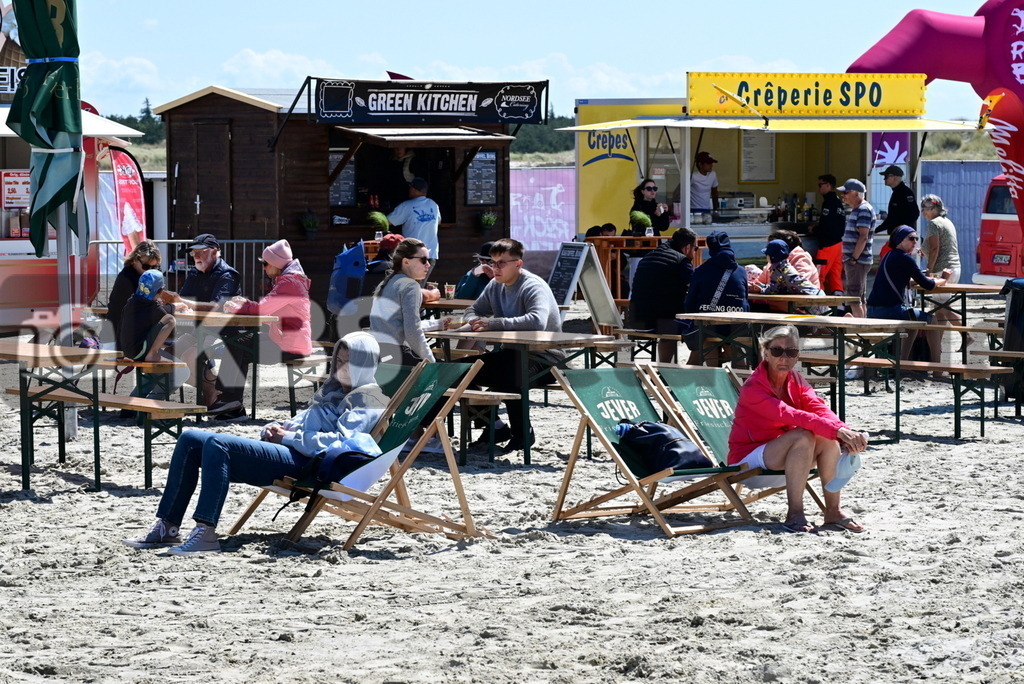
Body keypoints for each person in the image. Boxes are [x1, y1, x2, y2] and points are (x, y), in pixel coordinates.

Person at [122, 332, 389, 555]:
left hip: (312, 466)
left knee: (218, 443)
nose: (341, 368)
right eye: (339, 361)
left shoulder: (367, 399)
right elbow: (302, 422)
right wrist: (277, 428)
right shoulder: (332, 391)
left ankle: (205, 531)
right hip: (293, 452)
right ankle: (168, 526)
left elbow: (341, 444)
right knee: (190, 438)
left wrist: (289, 437)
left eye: (349, 363)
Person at [728, 325, 869, 533]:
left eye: (791, 352)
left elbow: (818, 408)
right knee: (803, 434)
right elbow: (791, 415)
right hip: (747, 464)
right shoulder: (753, 388)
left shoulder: (795, 380)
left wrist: (844, 432)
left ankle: (833, 511)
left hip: (787, 458)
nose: (783, 357)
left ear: (797, 356)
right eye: (777, 351)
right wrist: (838, 432)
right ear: (765, 352)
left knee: (826, 437)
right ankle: (795, 514)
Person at [462, 238, 563, 451]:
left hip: (546, 357)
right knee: (457, 371)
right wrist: (474, 321)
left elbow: (537, 321)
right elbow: (472, 310)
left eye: (501, 263)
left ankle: (522, 433)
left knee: (511, 375)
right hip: (511, 354)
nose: (495, 268)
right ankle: (495, 427)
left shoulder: (532, 285)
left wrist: (493, 323)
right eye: (492, 262)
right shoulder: (494, 285)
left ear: (518, 264)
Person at [213, 240, 314, 419]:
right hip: (288, 340)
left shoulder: (289, 282)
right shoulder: (291, 279)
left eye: (265, 263)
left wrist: (236, 307)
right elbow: (267, 306)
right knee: (239, 342)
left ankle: (228, 400)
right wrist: (244, 304)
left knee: (238, 343)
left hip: (290, 346)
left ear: (276, 263)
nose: (264, 268)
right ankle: (231, 402)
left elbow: (262, 310)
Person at [160, 233, 242, 409]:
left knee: (189, 356)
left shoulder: (228, 274)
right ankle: (210, 390)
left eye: (200, 252)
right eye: (193, 253)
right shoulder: (196, 272)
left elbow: (215, 307)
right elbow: (182, 298)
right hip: (200, 330)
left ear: (214, 252)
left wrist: (183, 302)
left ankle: (211, 391)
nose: (196, 256)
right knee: (168, 354)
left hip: (225, 332)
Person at [867, 226, 952, 362]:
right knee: (933, 320)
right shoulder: (905, 258)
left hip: (872, 310)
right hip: (890, 311)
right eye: (911, 238)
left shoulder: (888, 255)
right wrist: (944, 279)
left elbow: (905, 279)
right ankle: (937, 367)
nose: (915, 242)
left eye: (917, 239)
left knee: (913, 324)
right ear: (900, 240)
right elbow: (928, 285)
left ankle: (905, 363)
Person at [118, 269, 188, 402]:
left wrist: (172, 306)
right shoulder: (152, 307)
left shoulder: (132, 302)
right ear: (160, 291)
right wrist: (175, 306)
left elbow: (159, 309)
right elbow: (165, 314)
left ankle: (131, 408)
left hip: (129, 350)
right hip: (141, 352)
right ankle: (149, 405)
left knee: (156, 373)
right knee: (181, 373)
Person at [629, 227, 697, 363]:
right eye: (696, 248)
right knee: (703, 330)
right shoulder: (681, 261)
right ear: (687, 247)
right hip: (662, 322)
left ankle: (664, 367)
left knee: (669, 319)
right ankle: (689, 370)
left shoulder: (649, 256)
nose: (695, 252)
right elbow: (697, 288)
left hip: (637, 320)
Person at [682, 231, 749, 366]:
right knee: (732, 344)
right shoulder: (741, 271)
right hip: (737, 327)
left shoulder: (700, 271)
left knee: (707, 337)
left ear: (710, 249)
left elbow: (689, 304)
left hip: (709, 327)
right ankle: (745, 382)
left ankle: (714, 379)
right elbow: (745, 300)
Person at [370, 237, 435, 366]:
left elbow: (398, 324)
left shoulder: (385, 283)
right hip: (397, 357)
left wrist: (437, 324)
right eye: (423, 260)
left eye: (429, 260)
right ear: (406, 262)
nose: (428, 264)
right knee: (452, 377)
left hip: (378, 355)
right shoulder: (410, 286)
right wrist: (433, 363)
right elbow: (412, 332)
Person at [920, 194, 966, 340]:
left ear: (934, 208)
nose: (922, 212)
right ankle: (937, 344)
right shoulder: (947, 221)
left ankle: (966, 335)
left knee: (943, 307)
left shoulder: (934, 224)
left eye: (924, 208)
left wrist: (929, 270)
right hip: (953, 267)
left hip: (942, 269)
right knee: (939, 308)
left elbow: (935, 249)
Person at [107, 240, 163, 341]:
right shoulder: (128, 278)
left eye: (155, 267)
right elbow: (147, 305)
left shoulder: (144, 276)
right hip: (119, 334)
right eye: (146, 266)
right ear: (136, 260)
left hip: (128, 330)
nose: (150, 270)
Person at [838, 179, 875, 318]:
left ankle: (859, 332)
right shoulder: (858, 209)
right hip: (858, 261)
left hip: (857, 262)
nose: (843, 195)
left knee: (854, 299)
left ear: (856, 193)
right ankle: (863, 329)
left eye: (846, 192)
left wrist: (854, 258)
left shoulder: (863, 209)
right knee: (860, 298)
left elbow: (863, 236)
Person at [387, 177, 441, 266]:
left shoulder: (407, 205)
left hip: (413, 255)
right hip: (431, 254)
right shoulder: (433, 205)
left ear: (413, 189)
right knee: (419, 280)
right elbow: (438, 222)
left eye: (411, 188)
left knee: (410, 279)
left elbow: (389, 221)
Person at [810, 175, 846, 295]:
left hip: (827, 245)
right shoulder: (838, 202)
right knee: (835, 276)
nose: (819, 188)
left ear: (828, 185)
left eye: (820, 185)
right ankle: (840, 307)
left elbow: (827, 225)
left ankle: (821, 307)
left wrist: (814, 230)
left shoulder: (829, 202)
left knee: (818, 277)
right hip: (838, 245)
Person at [875, 165, 920, 260]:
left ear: (894, 177)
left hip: (902, 240)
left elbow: (914, 214)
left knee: (891, 261)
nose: (884, 179)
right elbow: (892, 217)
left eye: (886, 177)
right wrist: (876, 230)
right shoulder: (897, 192)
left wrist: (903, 231)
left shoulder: (905, 192)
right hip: (897, 238)